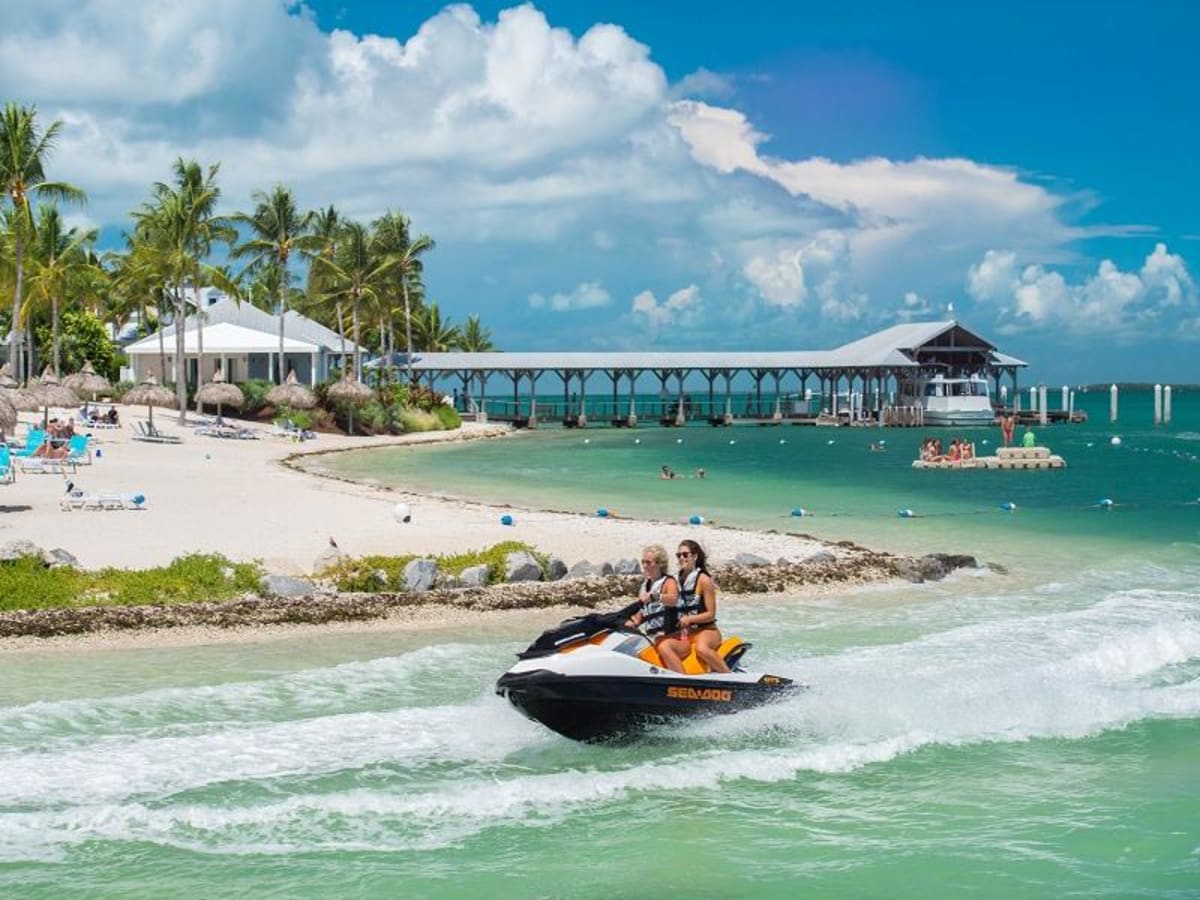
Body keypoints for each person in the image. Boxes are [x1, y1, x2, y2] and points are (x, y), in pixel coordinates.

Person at [668, 539, 730, 673]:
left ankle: (729, 677)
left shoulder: (704, 580)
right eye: (678, 555)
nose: (681, 558)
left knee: (701, 649)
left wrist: (690, 619)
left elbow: (711, 614)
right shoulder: (675, 580)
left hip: (708, 631)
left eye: (685, 555)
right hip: (687, 633)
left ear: (695, 556)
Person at [625, 544, 684, 672]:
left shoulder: (669, 582)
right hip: (653, 638)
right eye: (643, 562)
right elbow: (642, 612)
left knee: (664, 647)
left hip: (675, 639)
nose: (644, 566)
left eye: (648, 562)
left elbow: (673, 600)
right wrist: (631, 623)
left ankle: (685, 682)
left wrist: (655, 596)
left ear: (659, 564)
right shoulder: (645, 586)